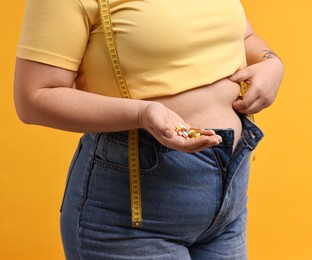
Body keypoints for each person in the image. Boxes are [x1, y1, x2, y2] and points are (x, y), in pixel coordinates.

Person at [14, 0, 283, 259]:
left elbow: (244, 36)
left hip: (228, 201)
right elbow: (34, 97)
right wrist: (143, 113)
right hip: (132, 215)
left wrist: (271, 62)